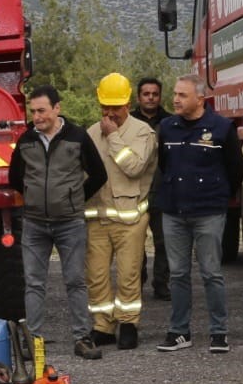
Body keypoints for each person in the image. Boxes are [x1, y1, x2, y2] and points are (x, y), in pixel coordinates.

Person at [10, 84, 107, 359]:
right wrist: (32, 198)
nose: (36, 117)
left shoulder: (78, 136)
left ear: (57, 108)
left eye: (42, 111)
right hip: (34, 224)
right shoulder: (26, 139)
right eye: (33, 112)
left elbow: (99, 175)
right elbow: (14, 178)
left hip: (70, 224)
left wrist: (74, 200)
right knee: (33, 283)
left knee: (76, 281)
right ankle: (34, 342)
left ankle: (82, 338)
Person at [155, 75, 243, 354]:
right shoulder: (167, 127)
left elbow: (236, 169)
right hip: (174, 212)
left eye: (182, 95)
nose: (175, 99)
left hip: (208, 212)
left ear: (199, 99)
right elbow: (163, 164)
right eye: (175, 94)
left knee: (211, 273)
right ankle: (180, 331)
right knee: (178, 273)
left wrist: (218, 198)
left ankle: (219, 332)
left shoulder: (220, 128)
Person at [84, 73, 157, 350]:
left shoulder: (142, 132)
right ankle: (102, 326)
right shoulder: (91, 133)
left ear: (127, 104)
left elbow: (134, 167)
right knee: (97, 275)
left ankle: (128, 324)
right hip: (97, 218)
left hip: (130, 220)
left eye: (116, 106)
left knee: (128, 275)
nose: (110, 112)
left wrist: (113, 137)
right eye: (106, 106)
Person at [132, 76, 171, 299]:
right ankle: (137, 281)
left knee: (163, 241)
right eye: (146, 94)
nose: (150, 98)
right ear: (139, 97)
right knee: (135, 241)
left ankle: (161, 283)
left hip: (163, 189)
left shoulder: (169, 123)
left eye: (154, 94)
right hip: (136, 191)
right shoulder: (128, 122)